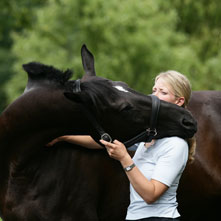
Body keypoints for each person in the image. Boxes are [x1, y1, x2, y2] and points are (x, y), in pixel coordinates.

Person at [48, 70, 195, 221]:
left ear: (179, 101)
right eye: (154, 90)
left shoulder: (176, 144)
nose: (153, 96)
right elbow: (103, 142)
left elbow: (151, 195)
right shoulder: (150, 137)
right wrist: (64, 137)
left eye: (163, 92)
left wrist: (125, 158)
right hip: (134, 217)